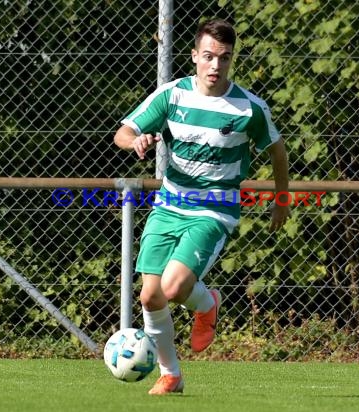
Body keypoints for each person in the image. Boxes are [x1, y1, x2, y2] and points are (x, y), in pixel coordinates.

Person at [113, 18, 290, 395]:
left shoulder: (248, 108)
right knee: (149, 295)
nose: (215, 65)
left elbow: (277, 150)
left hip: (214, 210)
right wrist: (137, 142)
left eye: (223, 58)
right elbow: (123, 132)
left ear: (230, 61)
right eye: (208, 56)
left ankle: (208, 302)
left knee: (175, 288)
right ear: (194, 56)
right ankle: (171, 375)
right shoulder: (172, 95)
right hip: (169, 205)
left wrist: (282, 200)